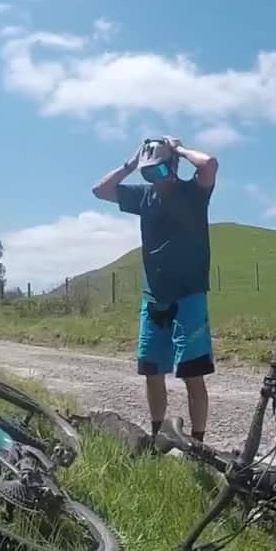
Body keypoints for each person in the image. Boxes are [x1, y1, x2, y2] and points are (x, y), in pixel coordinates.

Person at [91, 136, 219, 442]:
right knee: (151, 372)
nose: (155, 180)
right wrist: (133, 163)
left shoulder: (193, 193)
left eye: (159, 172)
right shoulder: (144, 197)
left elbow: (210, 165)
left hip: (188, 295)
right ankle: (157, 435)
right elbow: (101, 191)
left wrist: (177, 149)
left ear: (173, 167)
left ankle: (198, 443)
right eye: (149, 174)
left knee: (191, 373)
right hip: (153, 298)